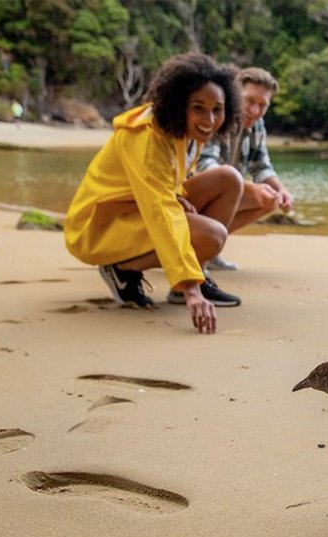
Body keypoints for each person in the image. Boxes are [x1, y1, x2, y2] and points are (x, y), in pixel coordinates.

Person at [64, 52, 245, 334]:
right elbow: (160, 210)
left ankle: (195, 272)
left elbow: (163, 189)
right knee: (212, 235)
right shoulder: (147, 136)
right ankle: (123, 270)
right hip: (96, 228)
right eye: (198, 108)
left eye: (217, 109)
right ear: (178, 104)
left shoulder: (184, 132)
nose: (209, 119)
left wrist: (177, 197)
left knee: (229, 179)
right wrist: (191, 290)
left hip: (132, 210)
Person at [196, 67, 293, 270]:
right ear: (234, 93)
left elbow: (261, 166)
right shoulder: (215, 117)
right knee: (242, 187)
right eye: (249, 101)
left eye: (262, 105)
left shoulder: (257, 125)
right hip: (193, 194)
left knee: (271, 198)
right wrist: (250, 188)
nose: (255, 111)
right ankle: (199, 249)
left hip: (226, 191)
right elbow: (205, 166)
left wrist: (281, 190)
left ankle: (211, 249)